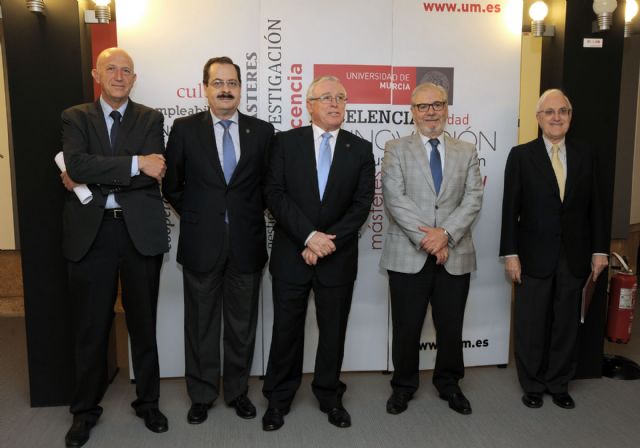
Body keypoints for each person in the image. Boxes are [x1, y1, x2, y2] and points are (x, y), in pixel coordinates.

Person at [60, 48, 169, 447]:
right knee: (91, 328)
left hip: (138, 233)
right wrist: (135, 164)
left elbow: (154, 171)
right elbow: (76, 166)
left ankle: (149, 403)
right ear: (97, 74)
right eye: (111, 69)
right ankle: (84, 411)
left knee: (144, 324)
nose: (119, 76)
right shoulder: (75, 117)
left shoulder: (151, 118)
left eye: (126, 70)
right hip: (93, 235)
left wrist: (95, 171)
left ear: (134, 78)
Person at [163, 57, 274, 424]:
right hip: (201, 243)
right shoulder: (184, 129)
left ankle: (238, 392)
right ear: (205, 88)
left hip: (247, 242)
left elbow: (268, 187)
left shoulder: (262, 132)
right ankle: (202, 394)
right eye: (218, 83)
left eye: (232, 83)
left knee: (242, 326)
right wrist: (199, 216)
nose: (226, 89)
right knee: (201, 325)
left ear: (240, 88)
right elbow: (172, 185)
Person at [261, 76, 374, 431]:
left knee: (333, 333)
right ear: (309, 105)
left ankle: (329, 396)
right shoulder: (284, 142)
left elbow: (361, 205)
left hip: (337, 257)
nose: (335, 103)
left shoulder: (361, 148)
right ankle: (278, 398)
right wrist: (309, 237)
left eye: (340, 97)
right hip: (292, 253)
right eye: (326, 97)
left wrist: (326, 243)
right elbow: (275, 194)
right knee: (286, 331)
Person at [500, 88, 608, 409]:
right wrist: (510, 254)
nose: (556, 117)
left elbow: (597, 207)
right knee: (531, 323)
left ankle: (559, 383)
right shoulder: (521, 156)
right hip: (532, 255)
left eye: (562, 111)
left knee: (566, 323)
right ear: (538, 118)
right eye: (549, 112)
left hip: (575, 255)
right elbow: (510, 210)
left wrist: (600, 250)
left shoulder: (587, 154)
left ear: (570, 117)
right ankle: (532, 384)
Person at [380, 82, 483, 416]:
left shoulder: (466, 150)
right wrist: (430, 239)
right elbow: (395, 198)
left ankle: (449, 384)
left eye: (437, 104)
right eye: (423, 106)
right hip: (408, 254)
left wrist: (446, 235)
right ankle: (403, 386)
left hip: (454, 253)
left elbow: (473, 198)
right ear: (413, 111)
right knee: (406, 327)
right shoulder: (395, 148)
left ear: (446, 108)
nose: (431, 112)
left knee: (451, 327)